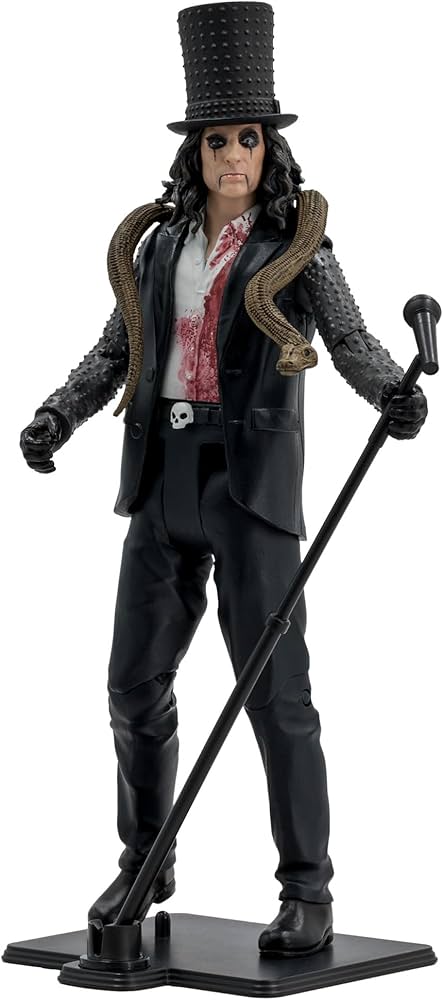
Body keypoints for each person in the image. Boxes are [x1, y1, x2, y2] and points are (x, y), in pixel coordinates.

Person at [19, 2, 427, 958]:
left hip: (250, 485)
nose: (233, 156)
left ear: (268, 148)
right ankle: (145, 859)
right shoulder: (159, 246)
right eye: (216, 140)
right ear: (194, 152)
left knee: (276, 691)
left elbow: (349, 337)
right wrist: (59, 413)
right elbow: (116, 348)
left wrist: (388, 392)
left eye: (248, 138)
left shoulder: (298, 247)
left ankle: (308, 891)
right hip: (161, 475)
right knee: (131, 685)